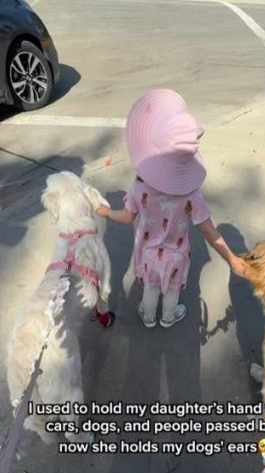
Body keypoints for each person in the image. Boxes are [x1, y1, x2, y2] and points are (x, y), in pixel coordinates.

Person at [98, 88, 246, 328]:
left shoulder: (138, 188)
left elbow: (126, 217)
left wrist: (106, 213)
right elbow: (208, 230)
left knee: (151, 286)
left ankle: (147, 316)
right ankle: (168, 317)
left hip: (147, 253)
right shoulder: (191, 194)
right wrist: (231, 258)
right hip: (177, 255)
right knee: (172, 290)